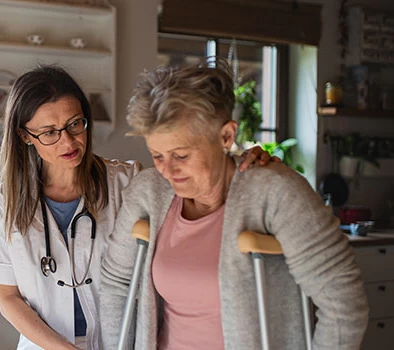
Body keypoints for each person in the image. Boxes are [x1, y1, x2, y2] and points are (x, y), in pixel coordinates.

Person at [0, 65, 274, 350]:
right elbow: (8, 297)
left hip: (122, 341)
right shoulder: (6, 202)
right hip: (45, 346)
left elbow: (200, 189)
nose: (67, 140)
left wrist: (236, 163)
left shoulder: (127, 182)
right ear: (25, 136)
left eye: (75, 124)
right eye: (49, 132)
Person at [99, 59, 368, 349]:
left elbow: (343, 304)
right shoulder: (148, 191)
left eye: (181, 155)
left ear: (226, 136)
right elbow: (116, 282)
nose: (167, 170)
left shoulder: (275, 191)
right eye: (158, 155)